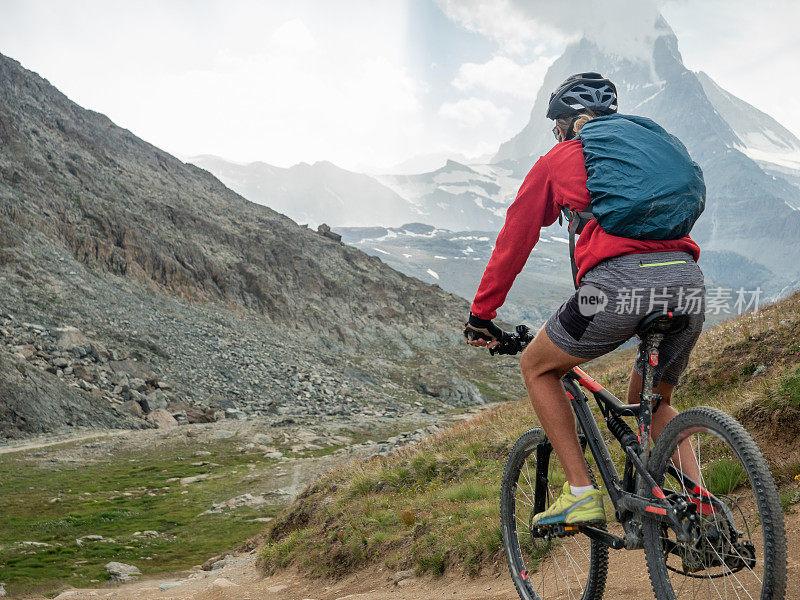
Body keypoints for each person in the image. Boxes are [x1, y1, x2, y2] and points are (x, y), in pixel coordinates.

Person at [464, 72, 706, 526]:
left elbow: (515, 239)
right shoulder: (647, 149)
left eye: (556, 126)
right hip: (687, 282)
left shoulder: (560, 158)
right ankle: (703, 509)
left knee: (537, 366)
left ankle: (579, 492)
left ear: (570, 123)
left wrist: (482, 315)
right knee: (650, 404)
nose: (556, 134)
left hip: (611, 291)